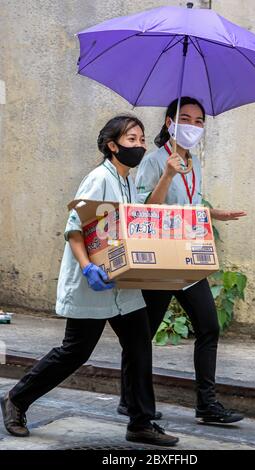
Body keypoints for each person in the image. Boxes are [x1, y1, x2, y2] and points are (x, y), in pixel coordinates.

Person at [0, 115, 179, 447]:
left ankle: (140, 422)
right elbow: (74, 227)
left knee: (139, 346)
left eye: (142, 140)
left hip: (122, 285)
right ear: (112, 146)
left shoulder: (127, 180)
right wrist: (86, 268)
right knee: (74, 352)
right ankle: (16, 399)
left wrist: (167, 173)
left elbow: (145, 214)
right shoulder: (99, 179)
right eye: (131, 140)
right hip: (93, 284)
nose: (139, 145)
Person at [118, 98, 247, 424]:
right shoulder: (154, 161)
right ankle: (128, 397)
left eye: (199, 121)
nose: (192, 126)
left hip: (188, 258)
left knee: (209, 327)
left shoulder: (194, 163)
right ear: (168, 123)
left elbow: (188, 204)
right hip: (160, 259)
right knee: (142, 334)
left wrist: (215, 213)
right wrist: (167, 174)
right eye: (185, 119)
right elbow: (145, 209)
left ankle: (206, 405)